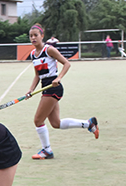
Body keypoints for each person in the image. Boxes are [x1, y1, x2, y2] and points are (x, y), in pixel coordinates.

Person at [25, 24, 99, 160]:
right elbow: (37, 75)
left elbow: (67, 63)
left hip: (53, 87)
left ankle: (47, 151)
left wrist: (58, 78)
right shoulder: (33, 55)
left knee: (38, 120)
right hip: (45, 87)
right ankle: (89, 123)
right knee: (56, 123)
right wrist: (30, 90)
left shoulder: (49, 50)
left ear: (42, 36)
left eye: (36, 35)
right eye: (31, 36)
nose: (33, 38)